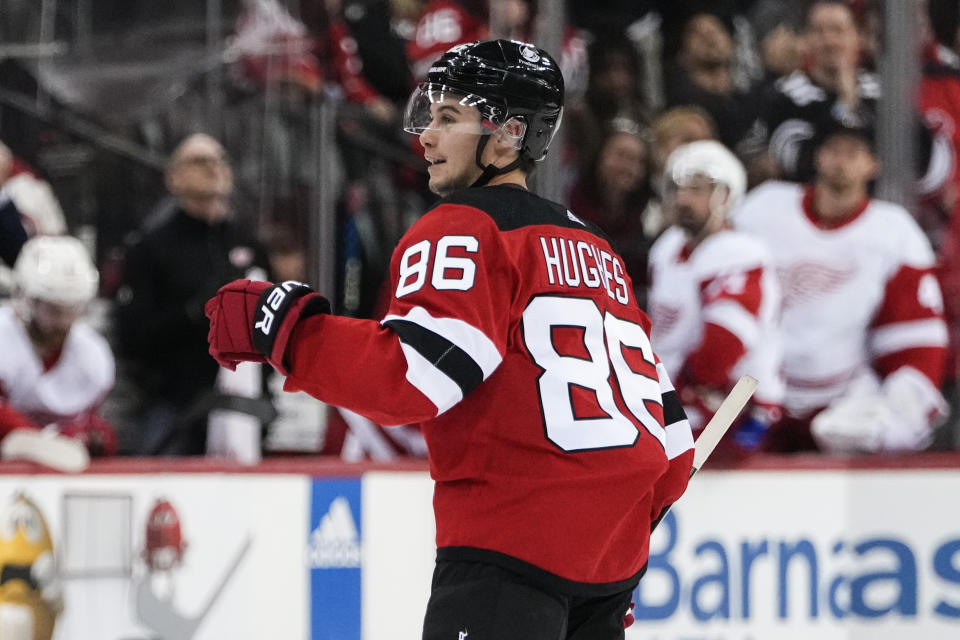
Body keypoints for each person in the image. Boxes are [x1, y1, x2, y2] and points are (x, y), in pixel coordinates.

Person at [205, 39, 694, 639]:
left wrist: (284, 330)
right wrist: (608, 541)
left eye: (449, 118)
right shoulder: (597, 249)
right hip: (608, 567)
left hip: (510, 557)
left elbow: (414, 374)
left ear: (510, 134)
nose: (426, 136)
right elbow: (671, 444)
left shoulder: (465, 227)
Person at [733, 122, 950, 454]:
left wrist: (902, 409)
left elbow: (915, 339)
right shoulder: (763, 209)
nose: (840, 162)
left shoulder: (893, 233)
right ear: (818, 158)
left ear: (872, 164)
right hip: (752, 393)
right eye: (833, 151)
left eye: (853, 154)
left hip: (841, 402)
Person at [114, 133, 271, 456]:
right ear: (174, 178)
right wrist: (193, 312)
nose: (215, 168)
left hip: (245, 406)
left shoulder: (249, 245)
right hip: (177, 406)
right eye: (201, 161)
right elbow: (132, 337)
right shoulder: (151, 248)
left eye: (221, 159)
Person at [648, 140, 783, 459]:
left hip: (739, 407)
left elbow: (723, 347)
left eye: (697, 190)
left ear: (725, 196)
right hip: (680, 393)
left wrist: (674, 391)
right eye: (678, 188)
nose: (682, 199)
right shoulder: (667, 248)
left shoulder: (740, 253)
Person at [0, 235, 115, 471]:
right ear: (27, 300)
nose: (63, 323)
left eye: (71, 310)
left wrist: (90, 437)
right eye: (53, 310)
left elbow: (93, 430)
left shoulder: (91, 354)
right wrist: (32, 436)